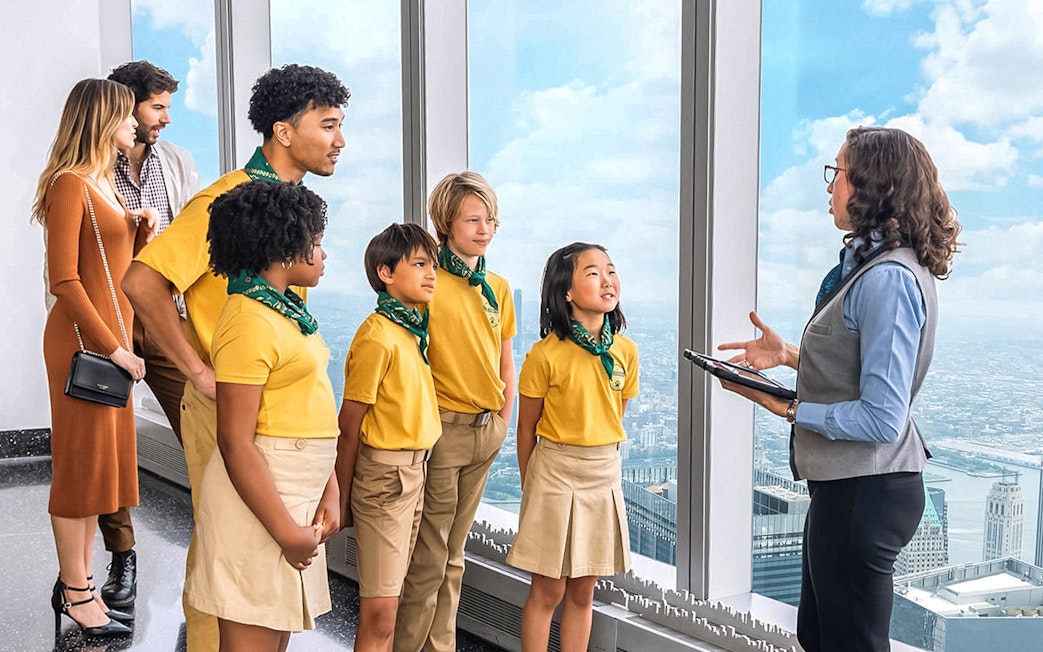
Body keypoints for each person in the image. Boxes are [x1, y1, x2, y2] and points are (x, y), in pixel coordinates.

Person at [121, 63, 349, 652]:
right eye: (328, 126)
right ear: (283, 131)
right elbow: (143, 281)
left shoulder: (288, 210)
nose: (340, 141)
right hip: (232, 409)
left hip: (275, 416)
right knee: (224, 550)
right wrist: (197, 370)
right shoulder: (228, 200)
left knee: (255, 560)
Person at [716, 126, 961, 652]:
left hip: (867, 491)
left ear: (871, 185)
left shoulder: (887, 279)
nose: (830, 188)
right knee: (821, 636)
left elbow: (881, 416)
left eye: (838, 174)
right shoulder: (871, 269)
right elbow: (863, 370)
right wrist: (786, 357)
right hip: (847, 487)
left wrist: (790, 408)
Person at [183, 180, 339, 651]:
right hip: (263, 505)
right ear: (283, 246)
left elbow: (307, 404)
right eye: (314, 241)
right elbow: (235, 441)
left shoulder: (283, 311)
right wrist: (287, 533)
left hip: (292, 495)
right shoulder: (249, 320)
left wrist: (328, 487)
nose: (322, 252)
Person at [33, 78, 158, 638]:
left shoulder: (104, 183)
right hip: (84, 346)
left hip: (109, 343)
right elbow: (64, 280)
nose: (136, 123)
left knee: (97, 475)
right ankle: (78, 590)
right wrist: (115, 348)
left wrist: (141, 230)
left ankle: (77, 584)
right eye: (126, 115)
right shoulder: (69, 185)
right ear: (102, 118)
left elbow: (119, 272)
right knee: (80, 473)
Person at [396, 172, 516, 652]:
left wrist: (504, 421)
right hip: (442, 431)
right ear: (445, 222)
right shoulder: (428, 282)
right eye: (472, 219)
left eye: (490, 219)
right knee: (431, 557)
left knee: (455, 556)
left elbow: (507, 359)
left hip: (486, 432)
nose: (484, 228)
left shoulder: (498, 288)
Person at [97, 59, 200, 611]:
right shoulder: (91, 163)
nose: (164, 118)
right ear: (126, 104)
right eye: (156, 106)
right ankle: (123, 557)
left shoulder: (178, 163)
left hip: (165, 317)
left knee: (201, 431)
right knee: (108, 447)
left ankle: (211, 547)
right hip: (107, 320)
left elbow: (196, 241)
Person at [508, 242, 638, 652]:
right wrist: (534, 488)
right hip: (554, 472)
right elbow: (526, 430)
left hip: (603, 473)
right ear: (566, 291)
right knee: (548, 590)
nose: (607, 279)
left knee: (584, 592)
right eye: (593, 272)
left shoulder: (625, 352)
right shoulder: (544, 355)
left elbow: (616, 414)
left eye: (611, 270)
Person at [336, 222, 442, 652]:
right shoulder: (378, 335)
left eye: (432, 265)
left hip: (414, 471)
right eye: (419, 264)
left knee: (392, 605)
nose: (431, 274)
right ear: (386, 273)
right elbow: (350, 424)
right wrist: (340, 497)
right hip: (385, 478)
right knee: (379, 613)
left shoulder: (411, 330)